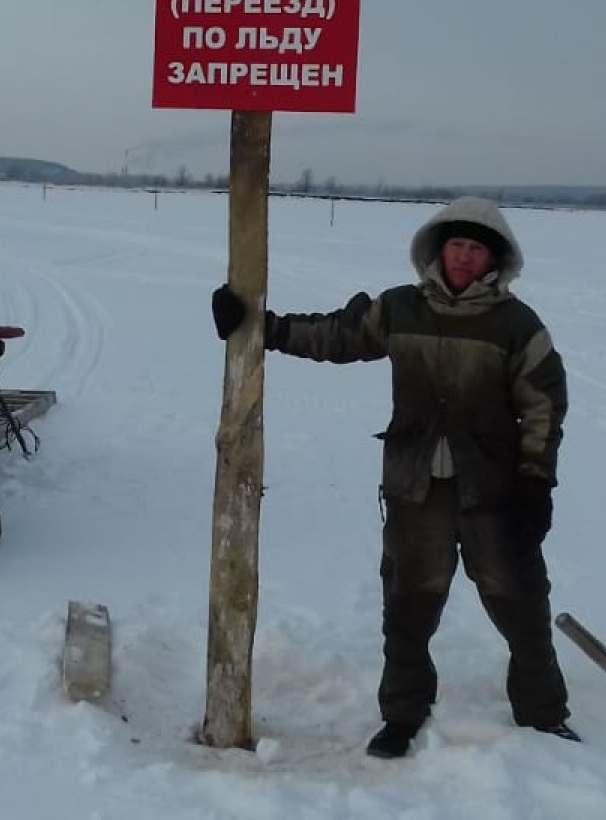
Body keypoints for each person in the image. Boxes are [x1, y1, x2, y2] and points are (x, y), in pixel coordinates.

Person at [210, 196, 576, 758]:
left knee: (521, 602)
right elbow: (337, 336)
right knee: (408, 606)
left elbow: (543, 407)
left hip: (494, 492)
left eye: (476, 248)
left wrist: (535, 484)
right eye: (456, 244)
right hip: (415, 488)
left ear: (494, 259)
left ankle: (543, 712)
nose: (464, 256)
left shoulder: (517, 325)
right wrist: (260, 327)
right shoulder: (401, 308)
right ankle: (403, 715)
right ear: (438, 250)